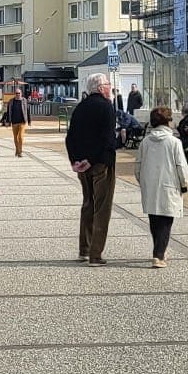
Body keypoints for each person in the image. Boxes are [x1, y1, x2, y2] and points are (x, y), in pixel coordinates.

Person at [65, 72, 120, 265]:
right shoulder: (106, 107)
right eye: (107, 84)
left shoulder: (80, 107)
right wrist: (91, 159)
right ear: (100, 88)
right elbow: (107, 139)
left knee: (88, 204)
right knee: (102, 208)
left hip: (82, 166)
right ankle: (96, 254)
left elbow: (70, 137)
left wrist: (75, 160)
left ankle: (84, 249)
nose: (110, 87)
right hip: (101, 164)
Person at [137, 106, 188, 267]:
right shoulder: (174, 142)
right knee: (166, 221)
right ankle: (158, 255)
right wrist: (184, 183)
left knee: (154, 219)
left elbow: (138, 166)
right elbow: (181, 166)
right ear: (168, 122)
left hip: (150, 185)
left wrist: (143, 182)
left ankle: (159, 250)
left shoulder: (145, 142)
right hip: (170, 185)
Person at [1, 86, 30, 158]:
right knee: (15, 137)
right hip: (14, 121)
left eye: (19, 93)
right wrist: (8, 121)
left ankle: (20, 151)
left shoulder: (24, 100)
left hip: (22, 121)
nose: (18, 94)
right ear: (15, 94)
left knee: (20, 136)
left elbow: (27, 110)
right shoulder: (11, 101)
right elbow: (8, 112)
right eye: (16, 93)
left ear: (21, 93)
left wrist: (29, 120)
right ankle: (17, 149)